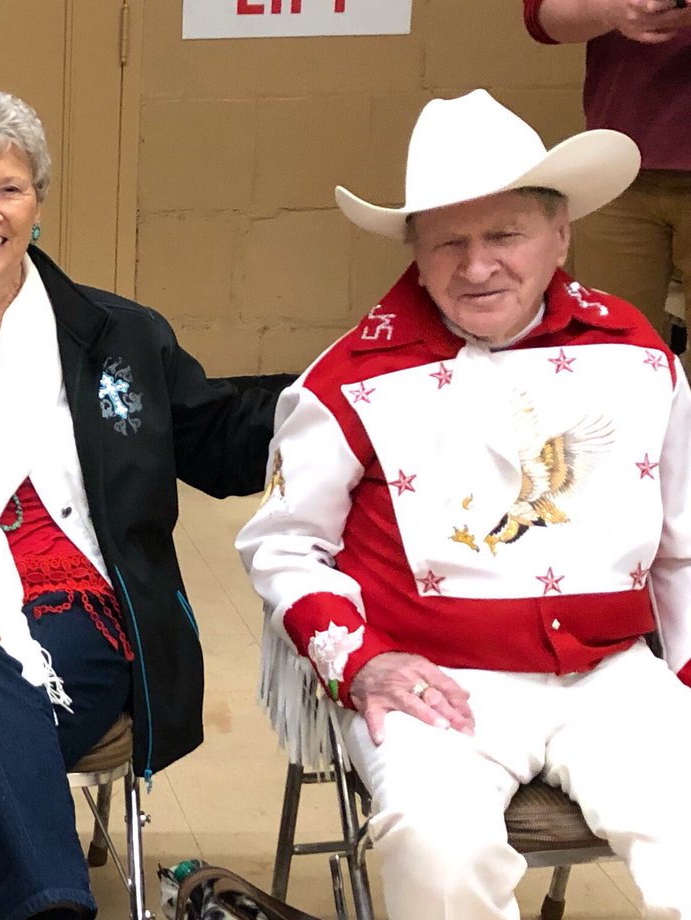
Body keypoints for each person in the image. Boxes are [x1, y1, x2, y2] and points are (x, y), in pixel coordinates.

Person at [237, 88, 691, 919]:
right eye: (449, 243)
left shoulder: (637, 353)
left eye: (505, 235)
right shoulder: (348, 380)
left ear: (562, 235)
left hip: (613, 674)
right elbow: (283, 544)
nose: (477, 267)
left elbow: (685, 545)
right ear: (414, 249)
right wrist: (362, 660)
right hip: (434, 684)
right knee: (434, 841)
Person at [0, 89, 274, 920]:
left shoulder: (116, 332)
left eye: (11, 188)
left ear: (37, 203)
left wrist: (335, 397)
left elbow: (217, 438)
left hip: (78, 607)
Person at [524, 0, 690, 334]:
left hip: (621, 159)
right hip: (619, 168)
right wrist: (610, 9)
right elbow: (540, 18)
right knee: (609, 349)